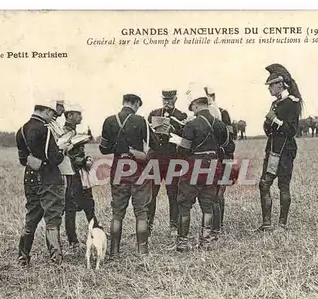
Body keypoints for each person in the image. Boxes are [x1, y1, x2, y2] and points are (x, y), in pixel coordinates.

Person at [99, 94, 160, 258]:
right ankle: (142, 251)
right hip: (138, 168)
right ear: (135, 104)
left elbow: (104, 149)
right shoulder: (140, 121)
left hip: (119, 167)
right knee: (141, 211)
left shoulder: (109, 121)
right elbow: (155, 144)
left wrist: (121, 147)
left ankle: (114, 251)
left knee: (117, 213)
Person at [175, 86, 234, 252]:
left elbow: (183, 151)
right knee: (207, 205)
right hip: (213, 166)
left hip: (194, 166)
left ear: (195, 105)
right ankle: (206, 242)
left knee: (184, 205)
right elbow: (227, 146)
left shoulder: (191, 125)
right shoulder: (220, 125)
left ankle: (183, 242)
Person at [16, 99, 70, 266]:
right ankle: (56, 260)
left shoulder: (21, 130)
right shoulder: (44, 130)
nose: (53, 117)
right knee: (52, 219)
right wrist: (64, 148)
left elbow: (22, 159)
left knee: (31, 218)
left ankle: (23, 258)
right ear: (46, 111)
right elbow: (55, 157)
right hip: (49, 178)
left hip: (30, 177)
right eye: (52, 114)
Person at [259, 63, 302, 231]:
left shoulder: (292, 103)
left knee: (283, 185)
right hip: (272, 150)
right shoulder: (276, 103)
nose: (269, 88)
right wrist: (270, 121)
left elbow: (291, 131)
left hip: (284, 150)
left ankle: (282, 225)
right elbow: (267, 128)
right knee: (264, 184)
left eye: (271, 85)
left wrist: (274, 120)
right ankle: (267, 224)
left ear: (280, 84)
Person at [146, 90, 188, 236]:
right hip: (155, 158)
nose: (167, 102)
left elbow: (185, 137)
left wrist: (173, 130)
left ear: (175, 99)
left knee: (173, 193)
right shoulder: (153, 113)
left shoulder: (182, 116)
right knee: (151, 193)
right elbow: (146, 134)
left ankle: (173, 227)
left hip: (172, 159)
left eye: (170, 99)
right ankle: (148, 226)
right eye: (165, 99)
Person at [62, 104, 99, 249]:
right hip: (71, 175)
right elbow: (67, 156)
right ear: (70, 115)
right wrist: (84, 161)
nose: (81, 117)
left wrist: (86, 159)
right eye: (78, 114)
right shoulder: (64, 133)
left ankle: (96, 232)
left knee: (89, 204)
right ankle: (73, 241)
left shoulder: (74, 132)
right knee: (71, 208)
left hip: (80, 174)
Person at [205, 87, 236, 233]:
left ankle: (218, 226)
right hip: (214, 158)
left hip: (224, 157)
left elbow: (229, 138)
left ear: (211, 96)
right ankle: (214, 225)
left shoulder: (223, 113)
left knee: (219, 193)